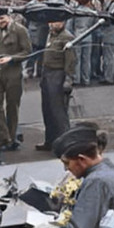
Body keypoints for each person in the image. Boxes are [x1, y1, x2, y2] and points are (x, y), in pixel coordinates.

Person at [0, 10, 31, 150]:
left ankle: (12, 138)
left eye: (2, 18)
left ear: (9, 17)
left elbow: (27, 52)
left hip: (13, 72)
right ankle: (3, 136)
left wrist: (12, 58)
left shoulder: (20, 30)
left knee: (12, 106)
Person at [36, 11, 75, 151]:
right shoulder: (51, 35)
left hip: (58, 76)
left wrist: (68, 80)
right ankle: (50, 141)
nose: (52, 24)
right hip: (47, 75)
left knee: (58, 113)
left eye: (56, 22)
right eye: (51, 22)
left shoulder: (67, 37)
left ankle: (65, 144)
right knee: (47, 111)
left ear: (63, 23)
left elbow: (70, 62)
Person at [25, 0, 51, 78]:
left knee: (42, 51)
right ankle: (30, 69)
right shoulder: (31, 4)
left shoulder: (47, 4)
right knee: (33, 50)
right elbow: (27, 18)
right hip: (34, 30)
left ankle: (40, 70)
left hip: (44, 30)